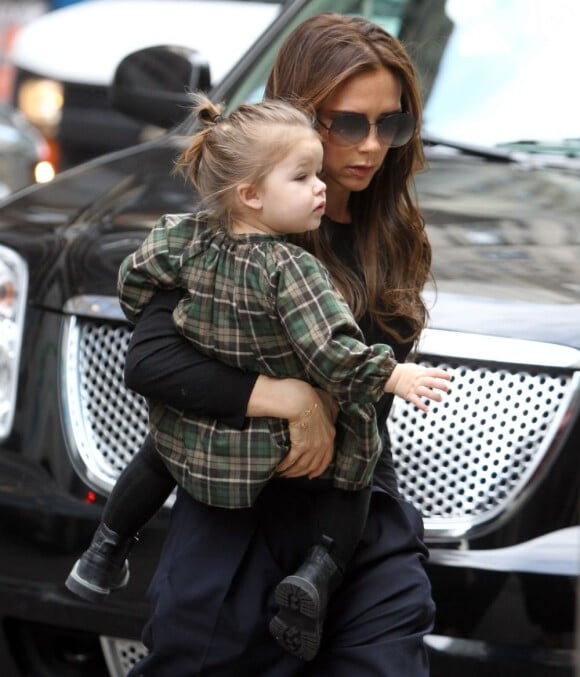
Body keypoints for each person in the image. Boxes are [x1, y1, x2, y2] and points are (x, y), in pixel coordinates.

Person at [71, 11, 444, 675]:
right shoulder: (221, 233)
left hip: (352, 516)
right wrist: (290, 397)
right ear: (296, 116)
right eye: (350, 123)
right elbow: (152, 360)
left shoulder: (394, 235)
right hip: (233, 507)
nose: (373, 145)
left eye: (391, 123)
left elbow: (370, 402)